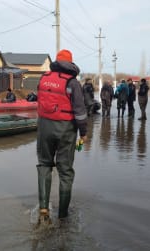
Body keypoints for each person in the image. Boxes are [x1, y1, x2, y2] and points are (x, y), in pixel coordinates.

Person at [36, 49, 88, 224]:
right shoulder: (72, 83)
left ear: (57, 62)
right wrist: (84, 133)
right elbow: (80, 112)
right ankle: (63, 216)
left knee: (44, 164)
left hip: (44, 126)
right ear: (70, 63)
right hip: (65, 129)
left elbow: (40, 101)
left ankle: (43, 208)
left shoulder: (43, 78)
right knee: (65, 171)